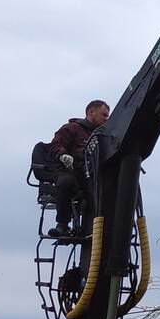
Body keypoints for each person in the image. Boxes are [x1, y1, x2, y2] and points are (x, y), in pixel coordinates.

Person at [47, 100, 109, 238]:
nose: (107, 119)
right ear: (91, 112)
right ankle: (62, 225)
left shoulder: (103, 135)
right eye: (104, 115)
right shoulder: (72, 128)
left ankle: (101, 228)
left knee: (105, 189)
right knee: (66, 182)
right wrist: (63, 155)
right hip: (71, 171)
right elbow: (55, 145)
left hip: (92, 176)